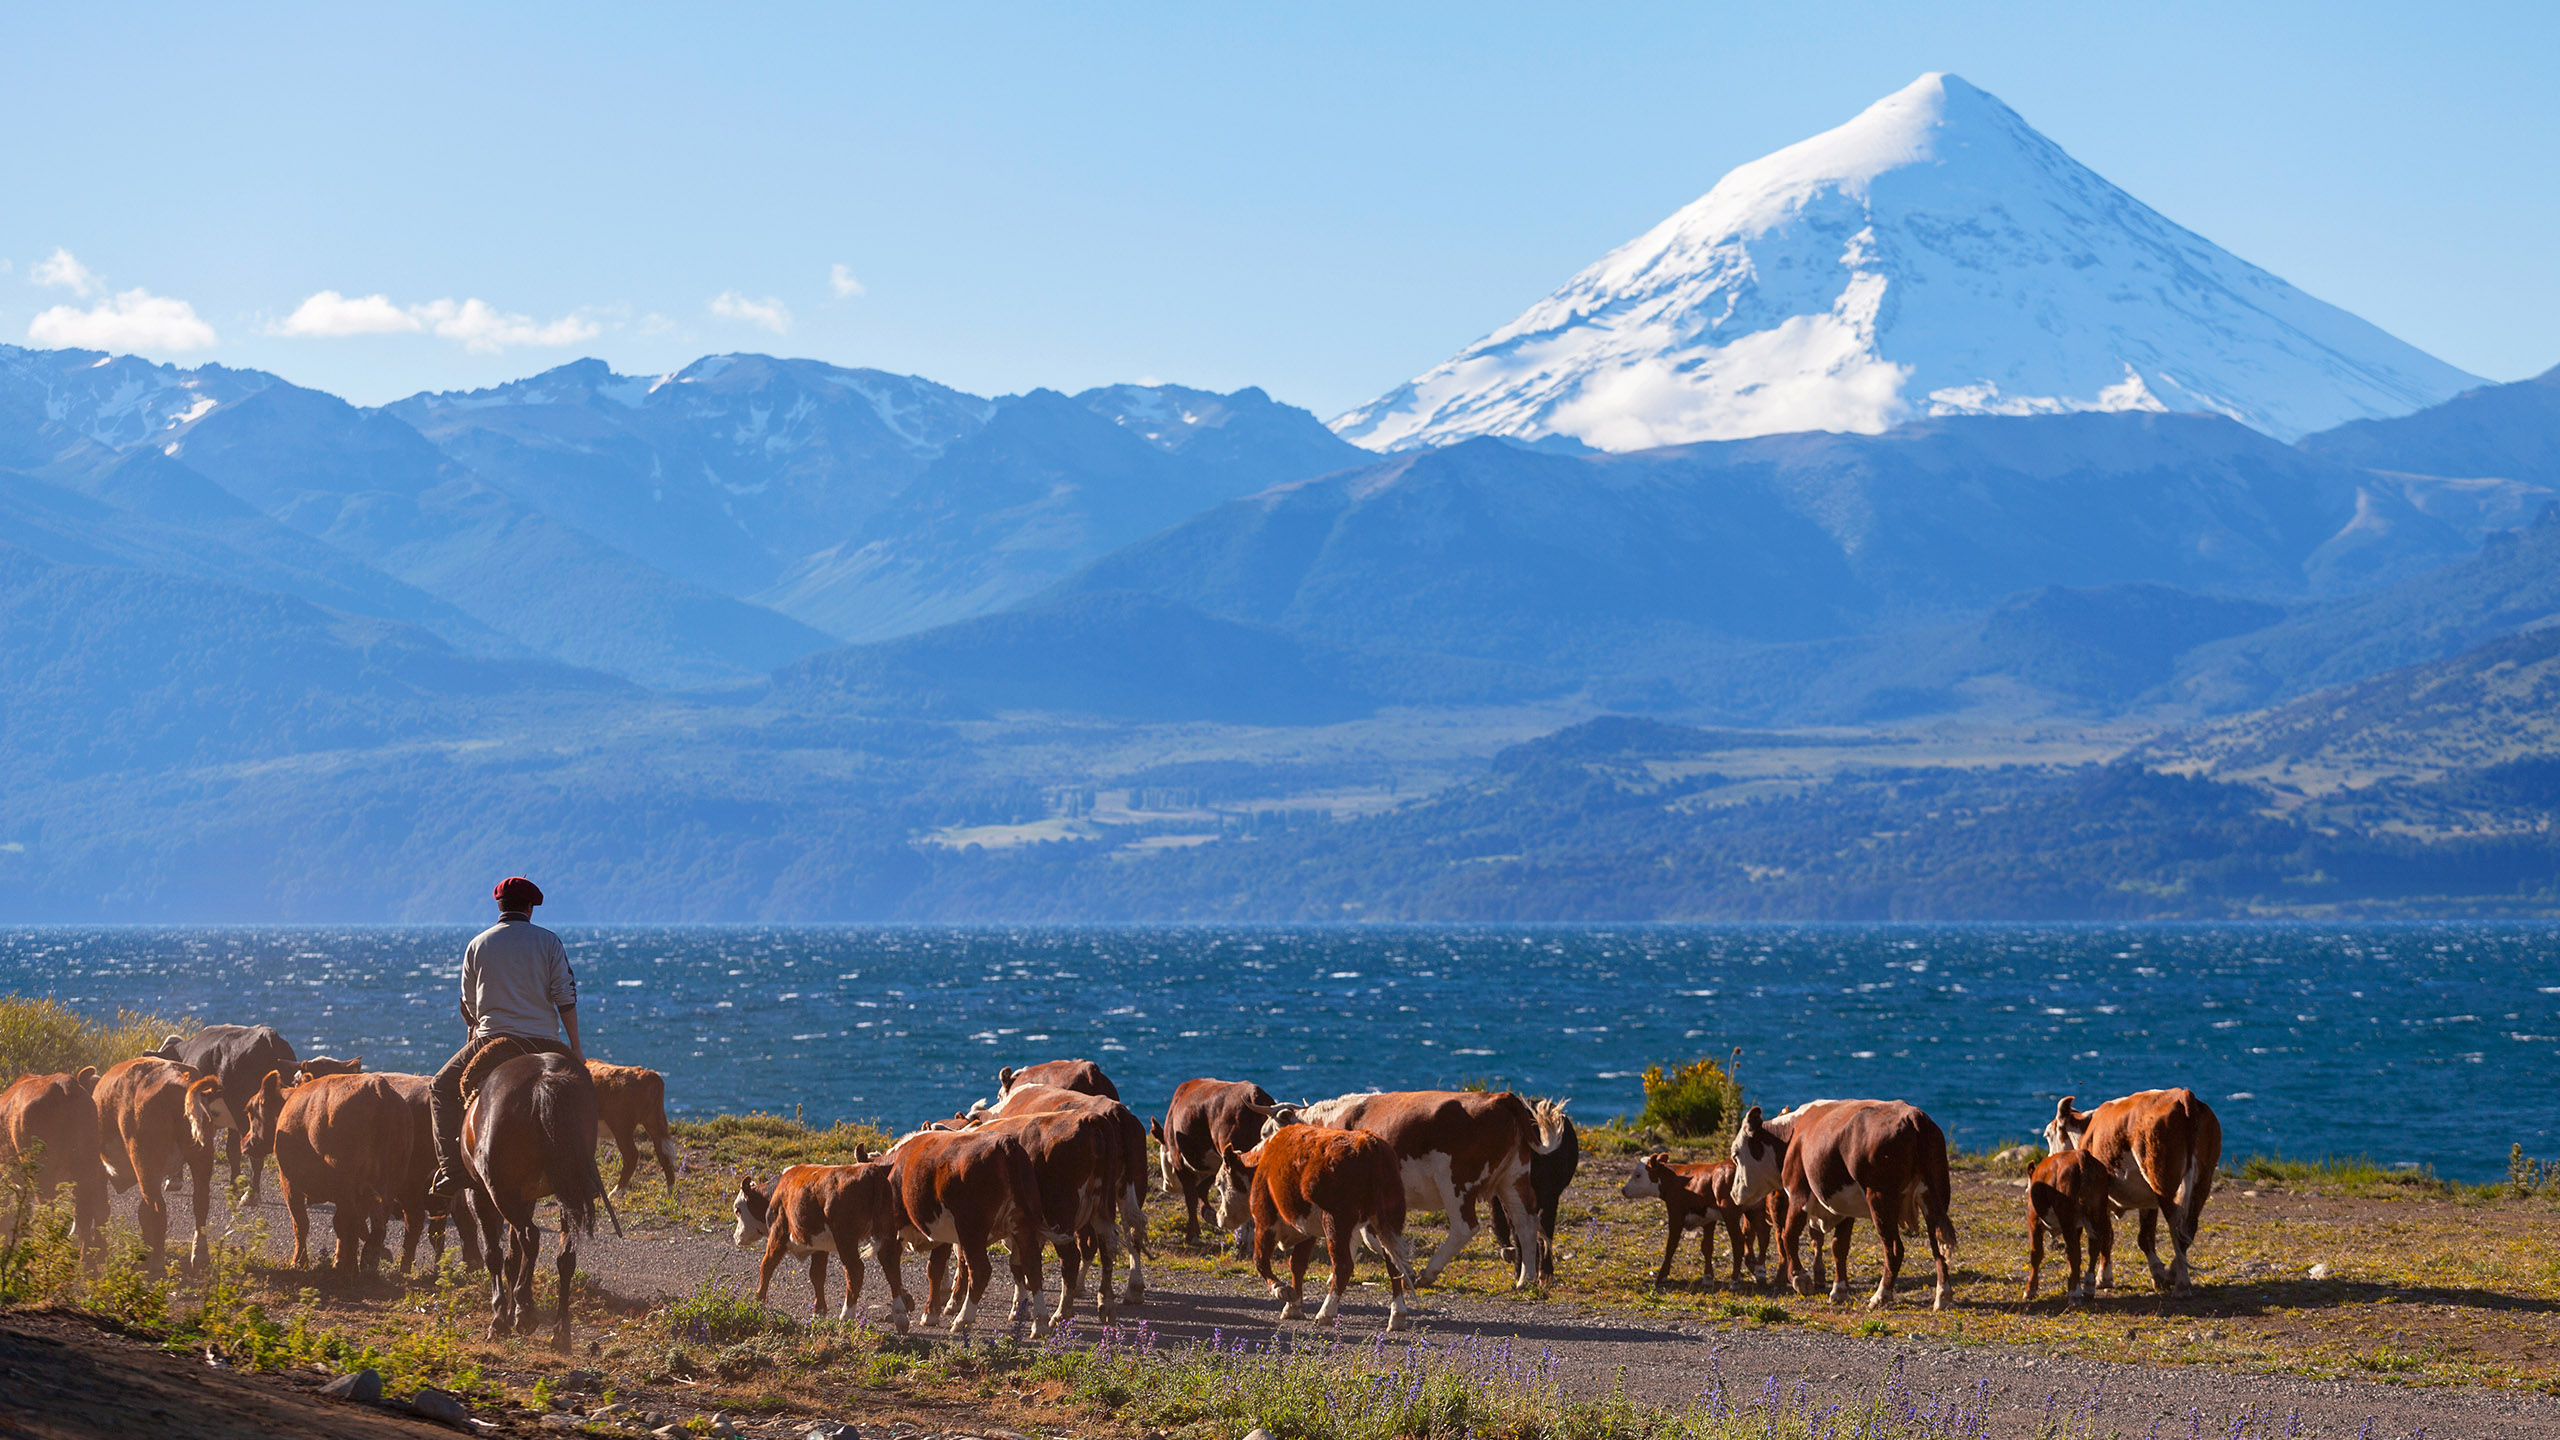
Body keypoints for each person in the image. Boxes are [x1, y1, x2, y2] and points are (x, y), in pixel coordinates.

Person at [428, 876, 582, 1199]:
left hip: (491, 1039)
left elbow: (469, 1005)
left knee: (440, 1087)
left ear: (498, 906)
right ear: (530, 908)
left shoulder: (477, 945)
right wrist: (575, 1048)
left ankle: (451, 1172)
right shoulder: (549, 942)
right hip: (544, 1041)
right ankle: (584, 1168)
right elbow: (564, 996)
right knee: (581, 1090)